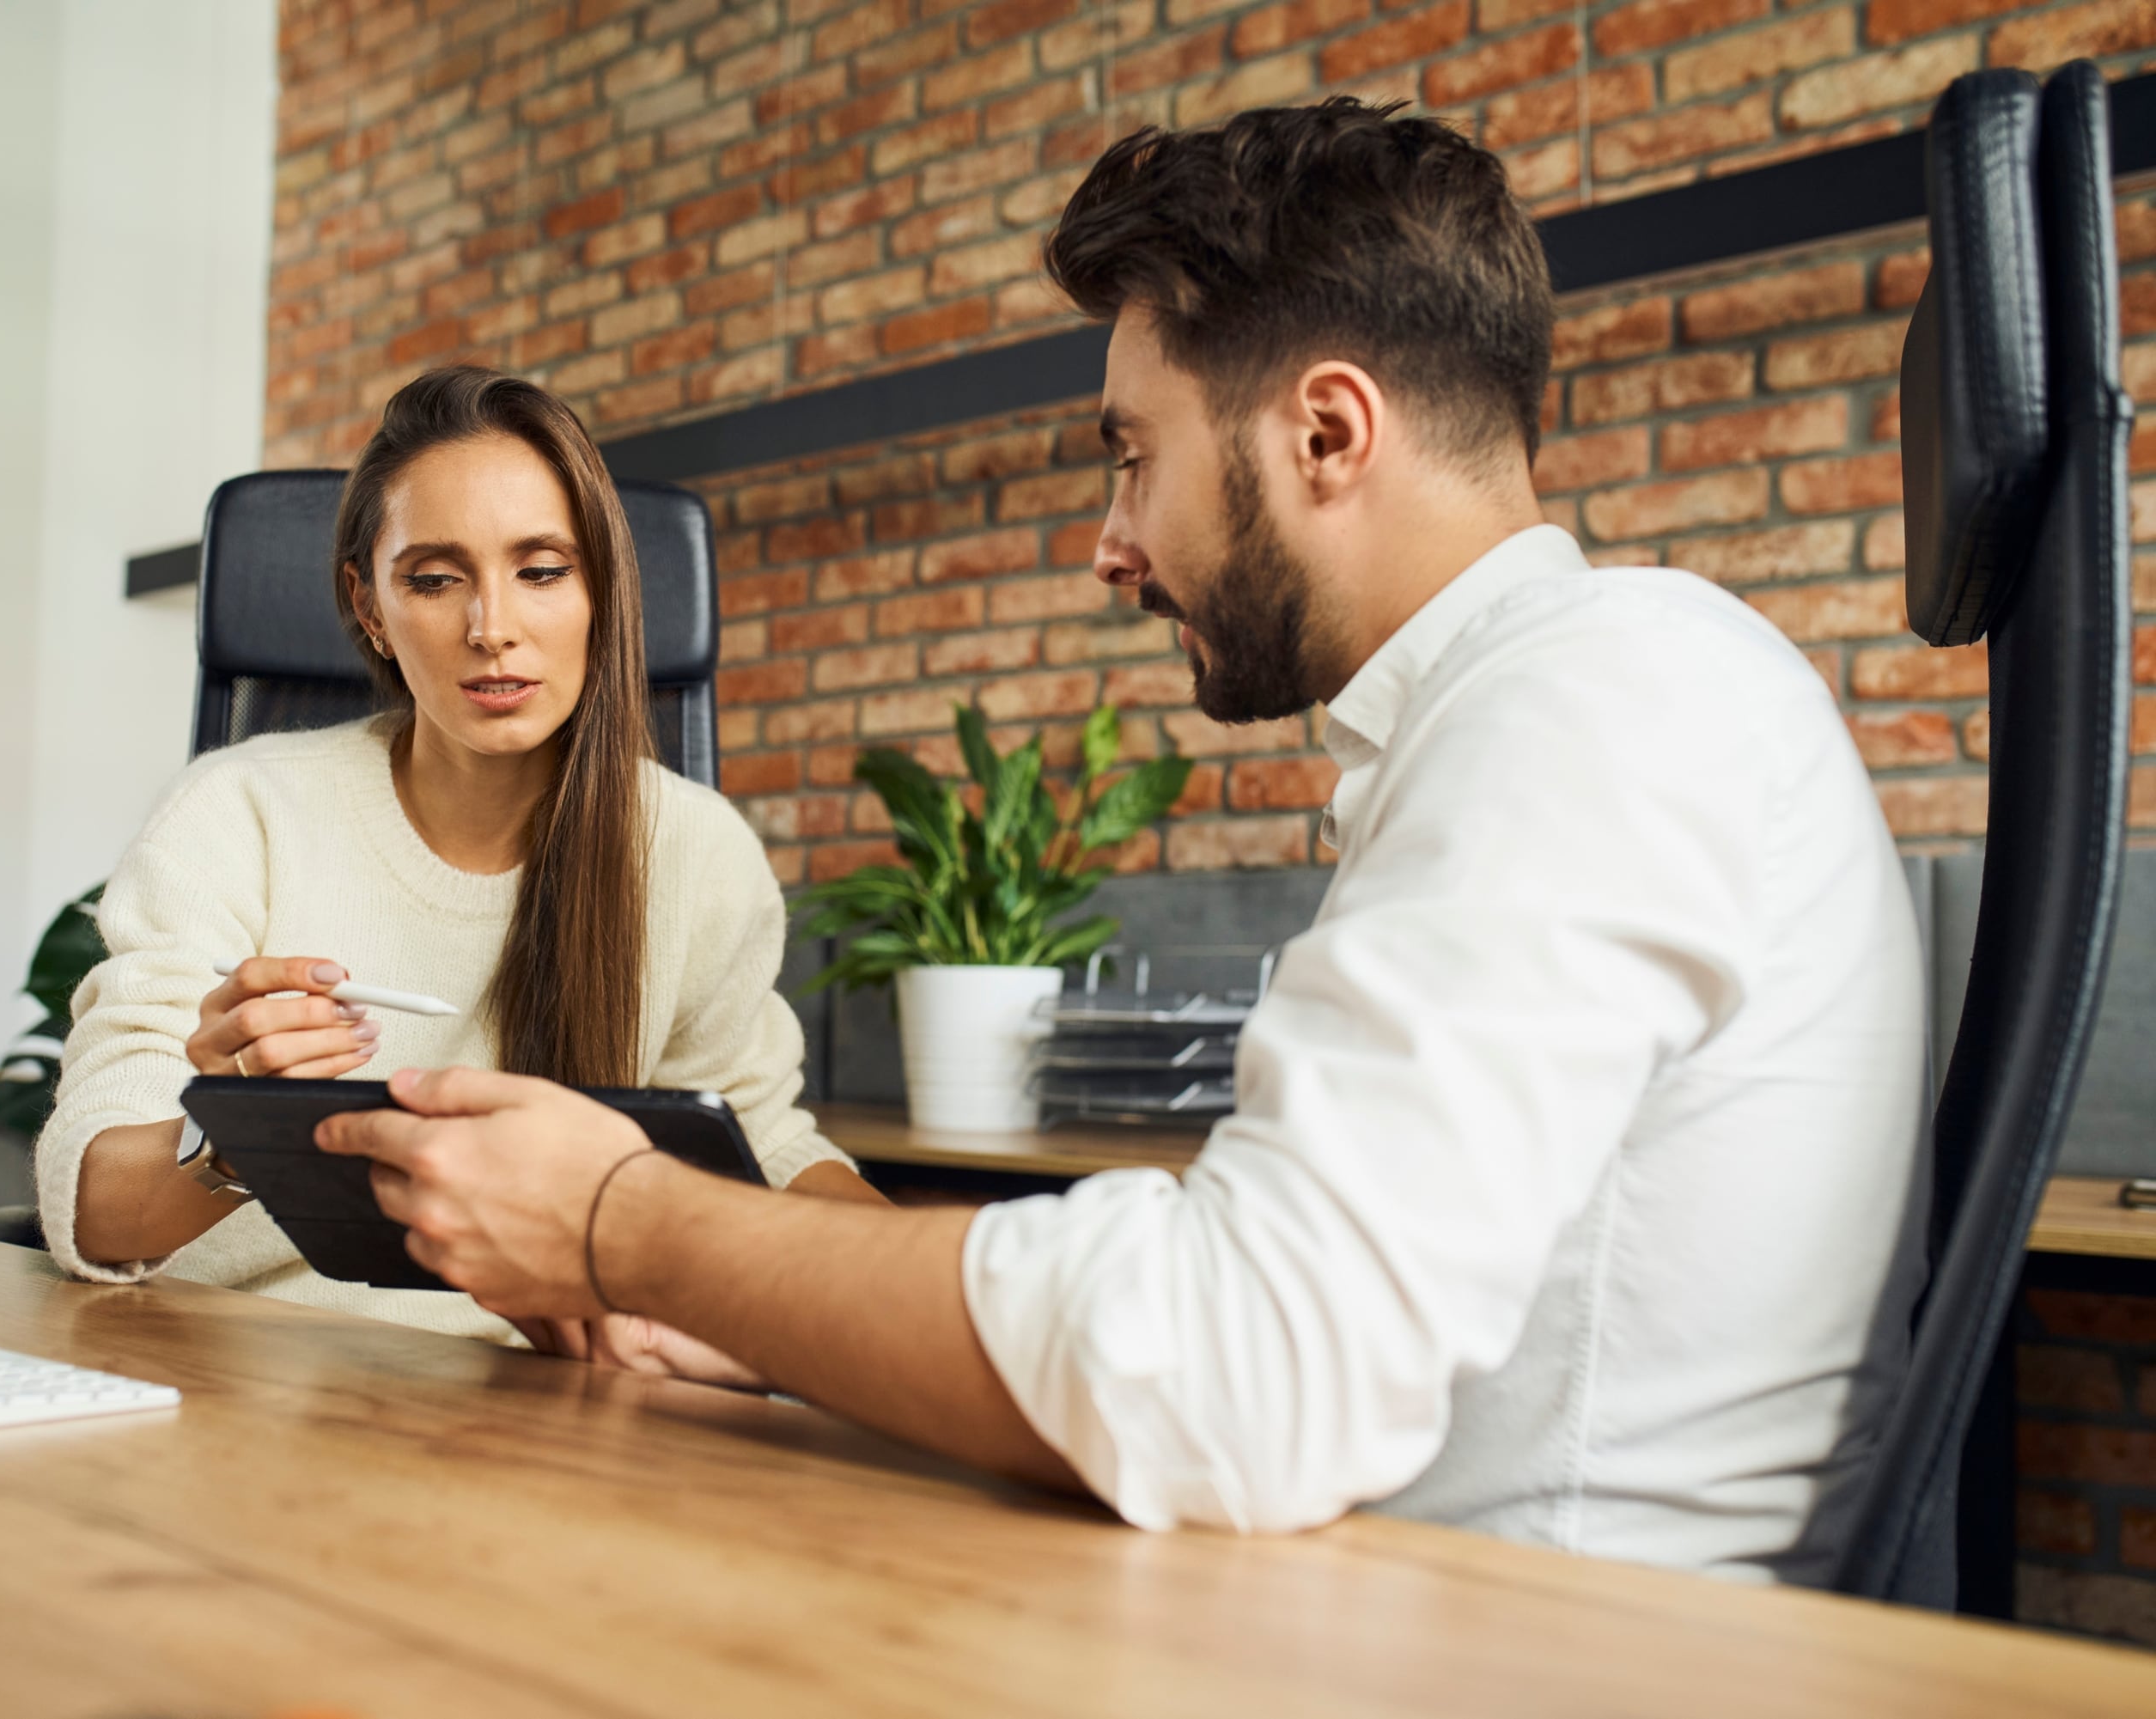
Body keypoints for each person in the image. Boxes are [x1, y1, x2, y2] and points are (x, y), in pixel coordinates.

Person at [314, 101, 1928, 1583]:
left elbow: (1243, 1367)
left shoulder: (1601, 690)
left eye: (1131, 454)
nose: (1112, 545)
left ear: (1327, 434)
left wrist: (628, 1222)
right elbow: (1261, 1307)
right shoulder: (1557, 704)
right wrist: (789, 1324)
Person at [36, 365, 880, 1350]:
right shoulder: (238, 814)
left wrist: (969, 1296)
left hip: (556, 1395)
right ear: (369, 607)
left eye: (542, 571)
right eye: (435, 580)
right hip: (255, 1372)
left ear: (602, 588)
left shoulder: (694, 851)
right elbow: (98, 1216)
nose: (493, 629)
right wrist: (234, 1133)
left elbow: (758, 1145)